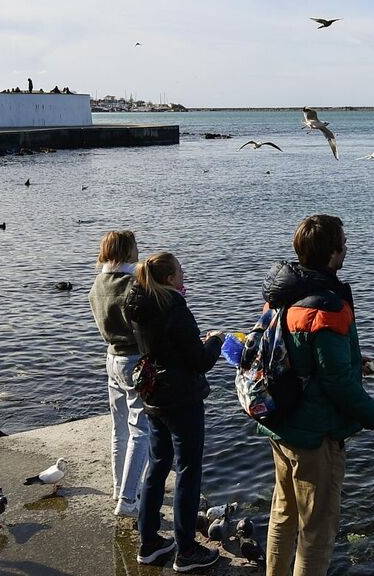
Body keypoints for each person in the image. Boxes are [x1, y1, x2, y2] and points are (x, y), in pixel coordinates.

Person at [258, 213, 374, 576]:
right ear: (333, 253)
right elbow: (338, 384)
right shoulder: (327, 308)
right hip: (315, 437)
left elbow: (300, 354)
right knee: (316, 532)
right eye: (343, 243)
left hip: (282, 424)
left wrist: (355, 359)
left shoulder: (281, 295)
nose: (347, 247)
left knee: (283, 515)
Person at [127, 252, 224, 571]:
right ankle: (186, 551)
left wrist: (191, 345)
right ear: (169, 279)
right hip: (181, 399)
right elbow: (199, 361)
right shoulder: (174, 307)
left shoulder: (139, 303)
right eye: (181, 271)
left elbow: (164, 346)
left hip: (153, 395)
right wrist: (214, 343)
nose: (185, 275)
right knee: (188, 470)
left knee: (157, 465)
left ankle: (149, 541)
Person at [90, 231, 150, 518]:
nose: (139, 251)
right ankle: (127, 499)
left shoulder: (98, 284)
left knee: (119, 428)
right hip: (134, 359)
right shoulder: (132, 284)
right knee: (141, 429)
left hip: (111, 357)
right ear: (127, 251)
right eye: (136, 247)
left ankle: (118, 487)